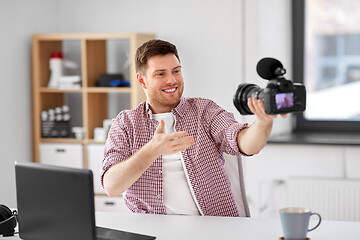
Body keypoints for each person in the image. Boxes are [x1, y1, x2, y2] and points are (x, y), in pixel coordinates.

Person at [101, 39, 285, 217]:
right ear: (142, 81)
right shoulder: (126, 123)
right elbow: (111, 186)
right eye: (160, 74)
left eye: (176, 71)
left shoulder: (204, 111)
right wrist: (151, 151)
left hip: (211, 227)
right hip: (153, 229)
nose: (172, 80)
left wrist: (263, 123)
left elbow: (244, 142)